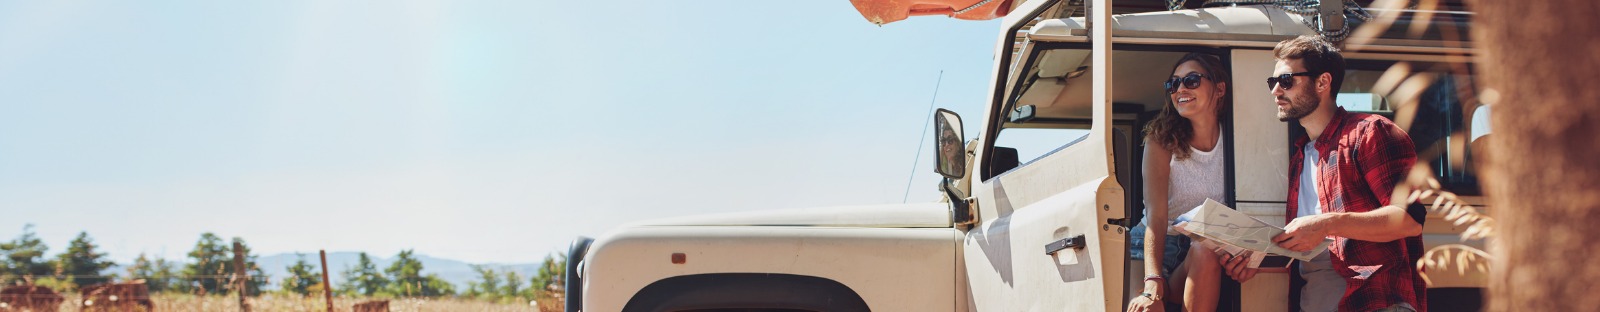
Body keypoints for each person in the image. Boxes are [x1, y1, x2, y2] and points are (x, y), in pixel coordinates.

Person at [1221, 35, 1428, 312]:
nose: (1275, 92)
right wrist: (1257, 260)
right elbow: (1311, 247)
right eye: (1273, 82)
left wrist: (1326, 224)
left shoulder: (1371, 132)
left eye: (1286, 81)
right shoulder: (1301, 157)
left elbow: (1409, 219)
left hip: (1373, 300)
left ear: (1322, 82)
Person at [1127, 52, 1230, 312]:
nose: (1180, 89)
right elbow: (1156, 216)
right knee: (1146, 308)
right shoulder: (1161, 140)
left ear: (1219, 89)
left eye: (1192, 80)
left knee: (1204, 251)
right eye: (1174, 84)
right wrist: (1152, 280)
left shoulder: (1237, 138)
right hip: (1153, 243)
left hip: (1204, 247)